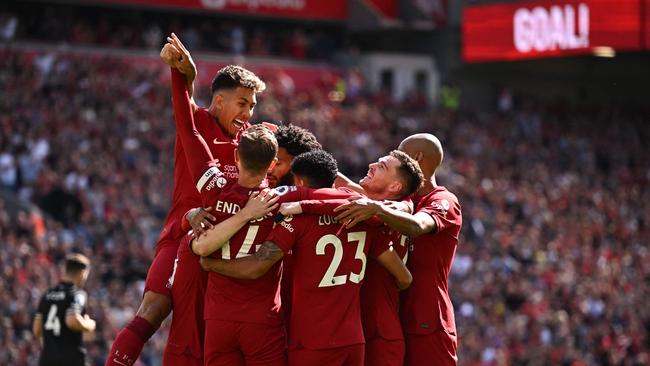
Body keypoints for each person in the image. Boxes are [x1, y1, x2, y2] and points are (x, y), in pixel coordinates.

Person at [105, 33, 267, 366]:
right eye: (242, 103)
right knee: (152, 310)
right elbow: (184, 100)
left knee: (206, 337)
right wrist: (186, 74)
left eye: (252, 105)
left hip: (223, 248)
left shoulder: (250, 144)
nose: (248, 113)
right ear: (219, 101)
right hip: (179, 235)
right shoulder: (197, 124)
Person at [200, 150, 421, 366]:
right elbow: (405, 278)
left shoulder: (298, 220)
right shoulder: (365, 219)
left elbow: (256, 266)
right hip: (354, 341)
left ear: (299, 181)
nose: (372, 166)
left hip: (312, 341)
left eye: (381, 166)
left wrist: (211, 263)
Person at [280, 150, 423, 366]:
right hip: (355, 332)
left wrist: (302, 203)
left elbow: (405, 276)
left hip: (370, 331)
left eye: (382, 166)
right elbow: (340, 188)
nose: (372, 165)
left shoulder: (382, 213)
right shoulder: (367, 210)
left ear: (394, 187)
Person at [333, 133, 462, 366]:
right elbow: (357, 192)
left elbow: (417, 226)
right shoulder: (401, 199)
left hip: (427, 318)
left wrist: (377, 209)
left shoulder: (443, 200)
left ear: (417, 157)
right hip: (392, 315)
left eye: (400, 152)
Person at [33, 254, 96, 366]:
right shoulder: (77, 294)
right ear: (82, 272)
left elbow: (37, 329)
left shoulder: (47, 294)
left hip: (47, 358)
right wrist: (90, 324)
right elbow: (71, 321)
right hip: (71, 359)